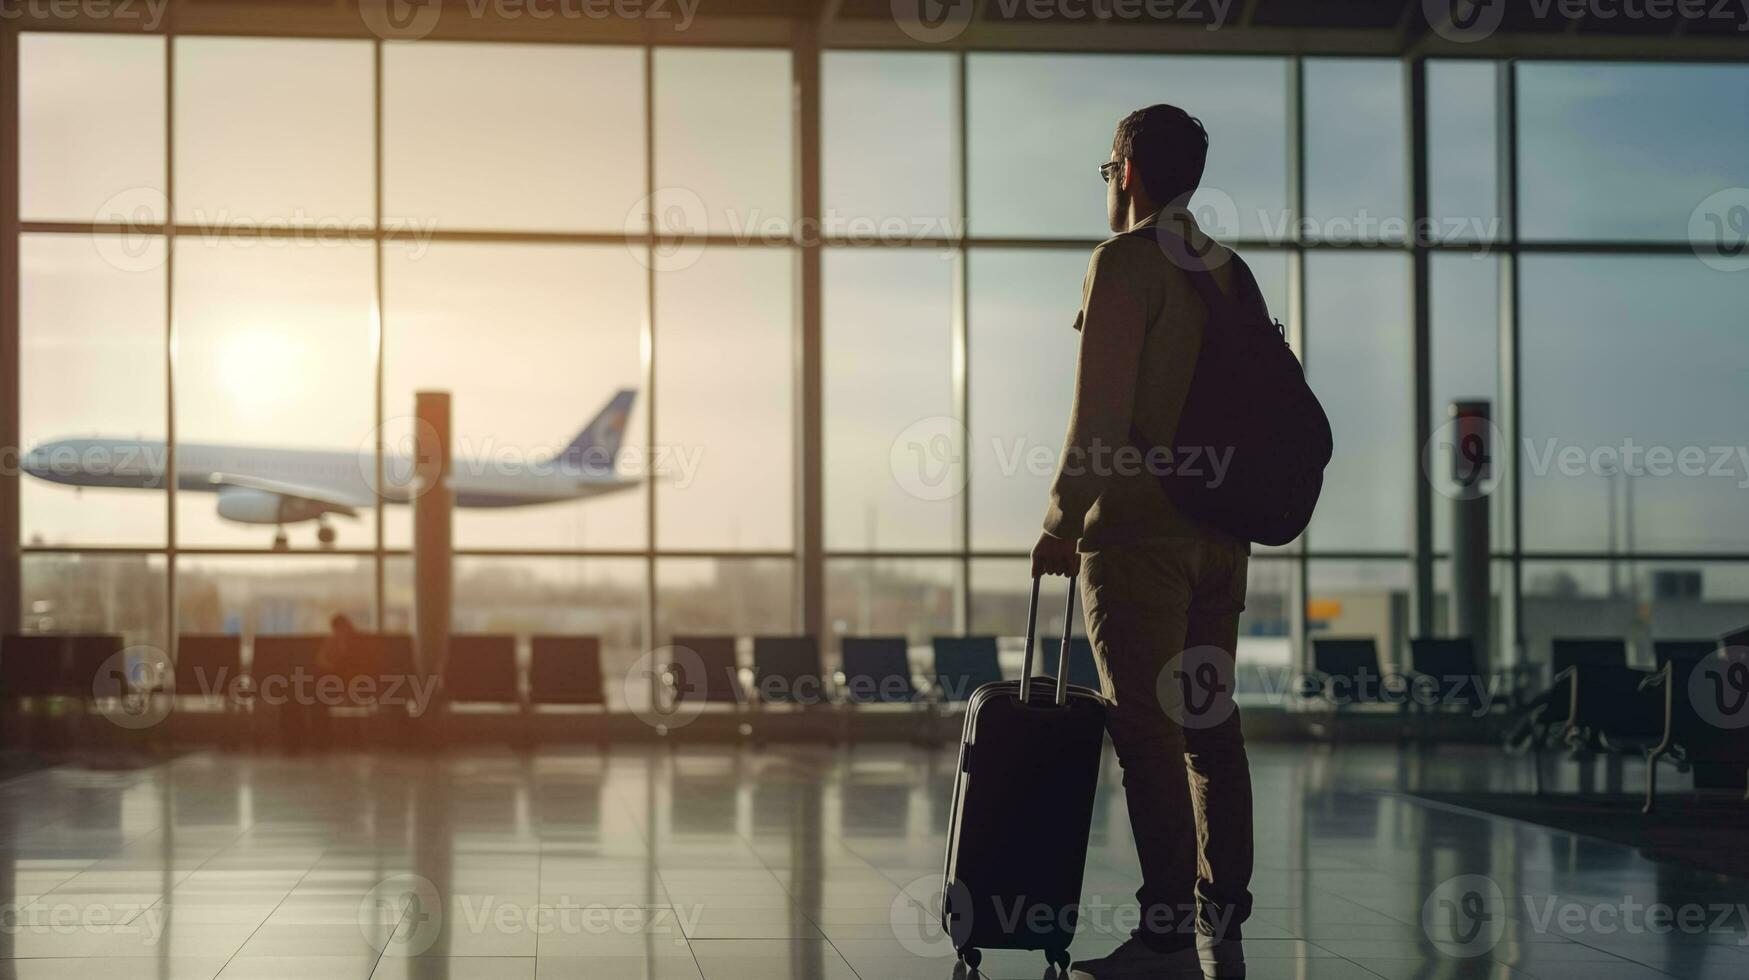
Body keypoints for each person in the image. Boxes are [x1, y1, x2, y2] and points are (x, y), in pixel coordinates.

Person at [1032, 105, 1258, 980]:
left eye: (1107, 170)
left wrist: (1060, 521)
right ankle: (1219, 916)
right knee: (1209, 726)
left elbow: (1101, 412)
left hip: (1136, 538)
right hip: (1221, 542)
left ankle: (1162, 934)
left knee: (1148, 734)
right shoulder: (1225, 269)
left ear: (1126, 169)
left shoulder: (1123, 263)